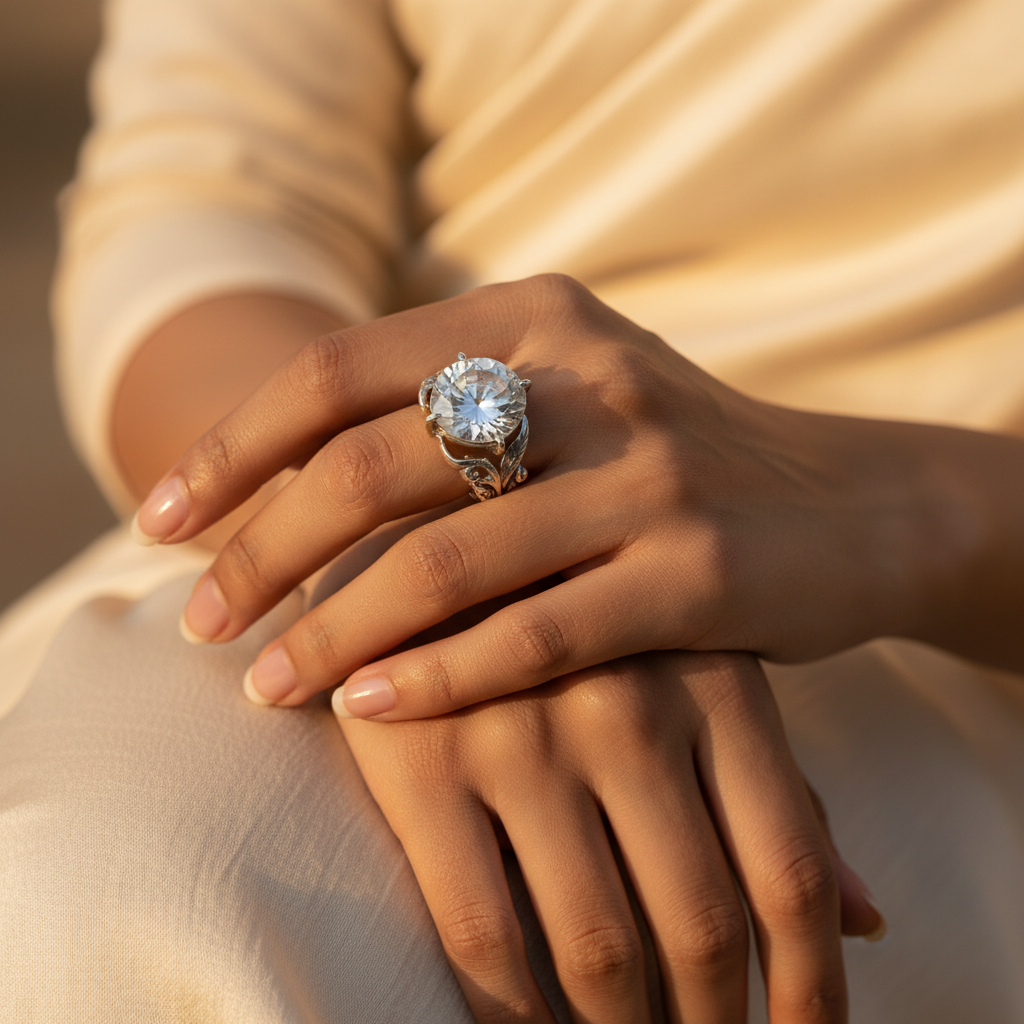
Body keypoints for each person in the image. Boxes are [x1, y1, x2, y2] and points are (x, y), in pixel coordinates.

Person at [2, 0, 1023, 1021]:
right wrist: (447, 547)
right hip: (373, 480)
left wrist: (899, 513)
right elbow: (210, 196)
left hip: (957, 646)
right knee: (115, 858)